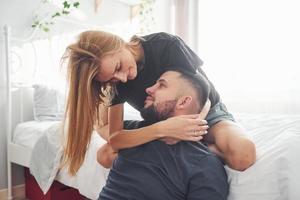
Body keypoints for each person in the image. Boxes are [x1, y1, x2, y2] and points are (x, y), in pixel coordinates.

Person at [62, 31, 256, 175]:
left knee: (243, 155)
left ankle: (191, 151)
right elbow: (116, 137)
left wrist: (190, 128)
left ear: (118, 43)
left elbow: (202, 92)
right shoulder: (118, 84)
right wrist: (162, 130)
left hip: (206, 113)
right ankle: (172, 155)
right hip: (160, 125)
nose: (122, 78)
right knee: (104, 156)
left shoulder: (165, 45)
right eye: (112, 79)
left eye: (119, 67)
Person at [99, 71, 229, 200]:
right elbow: (102, 128)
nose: (149, 89)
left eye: (161, 85)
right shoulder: (133, 132)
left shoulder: (204, 164)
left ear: (183, 102)